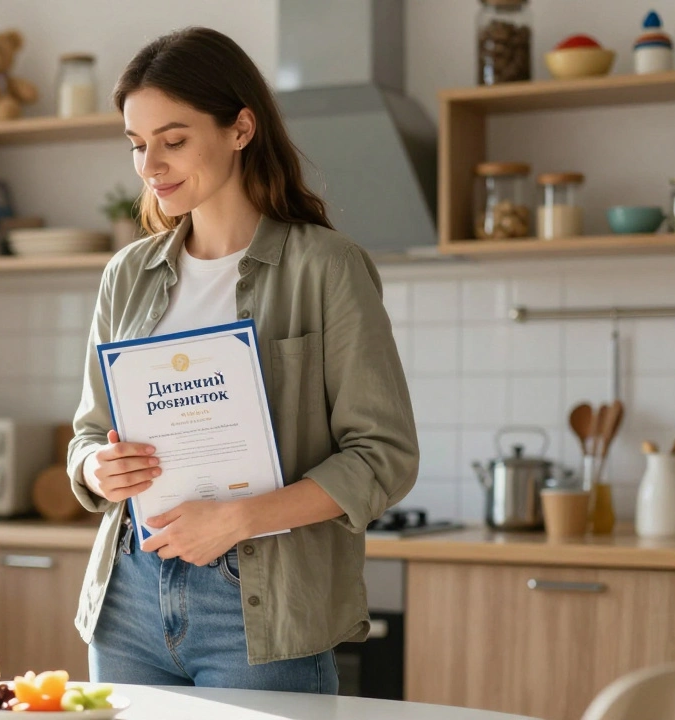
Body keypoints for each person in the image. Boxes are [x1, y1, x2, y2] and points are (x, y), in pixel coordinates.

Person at [67, 27, 419, 693]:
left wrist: (237, 520)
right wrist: (95, 466)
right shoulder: (128, 275)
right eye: (139, 146)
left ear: (240, 128)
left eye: (173, 140)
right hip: (129, 599)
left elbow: (384, 455)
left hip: (259, 606)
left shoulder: (325, 268)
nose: (150, 166)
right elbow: (88, 430)